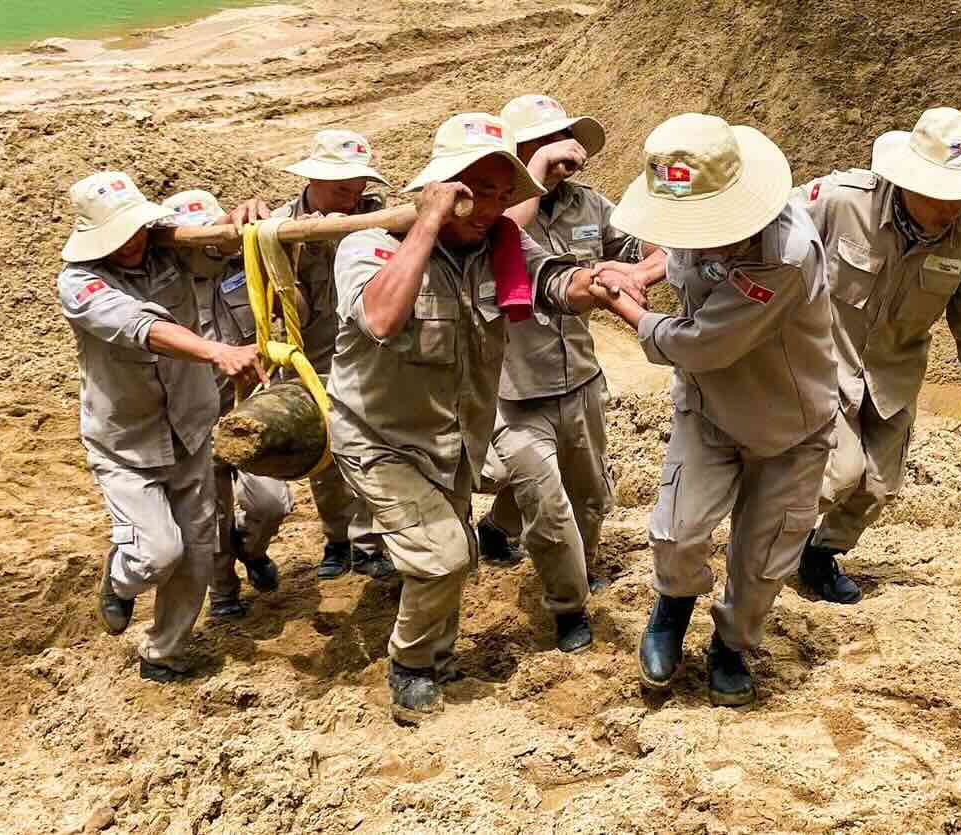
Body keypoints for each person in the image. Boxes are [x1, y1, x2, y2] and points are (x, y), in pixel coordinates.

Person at [327, 112, 629, 721]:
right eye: (474, 191)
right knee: (443, 555)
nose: (490, 206)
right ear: (441, 186)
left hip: (456, 438)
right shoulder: (372, 247)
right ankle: (410, 664)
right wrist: (429, 222)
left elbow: (556, 284)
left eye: (502, 193)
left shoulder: (505, 250)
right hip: (379, 440)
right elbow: (383, 318)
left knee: (453, 546)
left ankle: (436, 659)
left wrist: (598, 283)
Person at [595, 113, 838, 706]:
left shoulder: (784, 256)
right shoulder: (696, 214)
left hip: (791, 426)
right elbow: (681, 252)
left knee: (762, 561)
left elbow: (702, 343)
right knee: (677, 533)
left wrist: (621, 304)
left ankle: (730, 645)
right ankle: (671, 609)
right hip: (707, 411)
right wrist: (644, 268)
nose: (694, 232)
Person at [792, 107, 961, 604]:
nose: (957, 206)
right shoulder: (842, 203)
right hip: (821, 365)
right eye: (945, 192)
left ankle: (818, 555)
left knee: (878, 488)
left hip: (893, 377)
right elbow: (763, 237)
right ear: (909, 177)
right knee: (837, 474)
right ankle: (763, 547)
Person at [57, 172, 265, 682]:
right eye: (119, 233)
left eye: (137, 228)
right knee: (155, 554)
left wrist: (239, 222)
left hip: (190, 430)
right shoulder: (79, 284)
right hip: (125, 444)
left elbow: (224, 250)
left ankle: (162, 654)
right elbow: (141, 326)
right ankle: (119, 577)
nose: (133, 241)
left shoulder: (170, 249)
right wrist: (217, 350)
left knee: (196, 555)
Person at [474, 94, 667, 601]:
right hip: (515, 383)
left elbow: (643, 245)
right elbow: (503, 236)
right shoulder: (491, 210)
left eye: (562, 139)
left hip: (579, 373)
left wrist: (645, 266)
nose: (559, 151)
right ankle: (567, 594)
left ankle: (505, 533)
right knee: (544, 498)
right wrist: (530, 173)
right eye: (543, 142)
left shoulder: (589, 205)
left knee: (589, 493)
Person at [228, 130, 396, 582]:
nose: (353, 194)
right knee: (327, 455)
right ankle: (338, 539)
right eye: (343, 186)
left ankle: (368, 543)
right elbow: (286, 303)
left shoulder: (379, 217)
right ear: (314, 178)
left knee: (372, 450)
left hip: (373, 353)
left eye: (359, 185)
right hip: (312, 356)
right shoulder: (275, 226)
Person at [161, 190, 293, 620]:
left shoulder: (245, 266)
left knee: (271, 503)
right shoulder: (163, 287)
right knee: (210, 516)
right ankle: (224, 593)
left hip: (249, 409)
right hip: (194, 419)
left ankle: (251, 550)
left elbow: (291, 309)